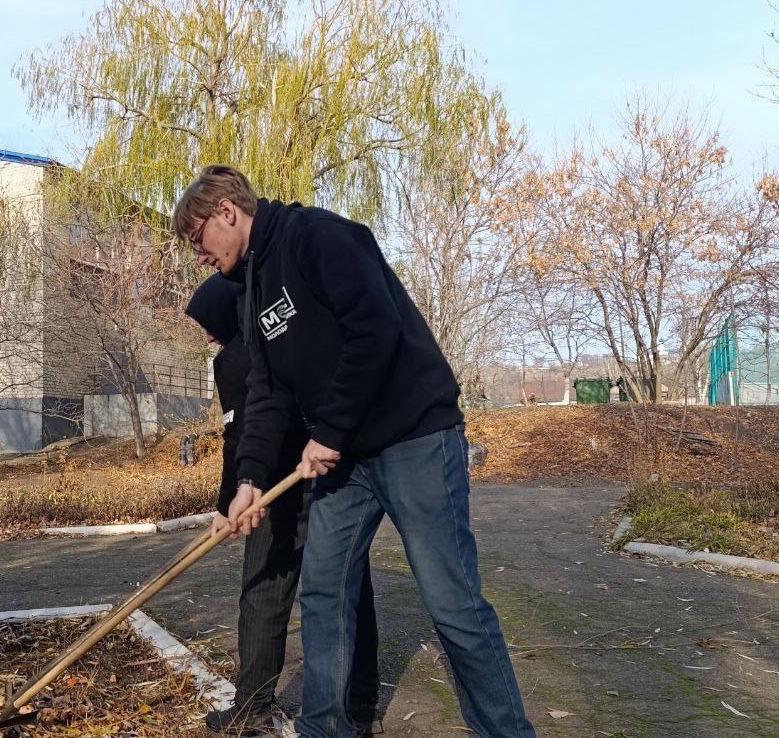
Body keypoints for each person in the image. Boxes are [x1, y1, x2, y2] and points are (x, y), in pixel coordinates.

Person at [174, 166, 536, 738]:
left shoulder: (319, 237)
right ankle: (328, 729)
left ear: (226, 212)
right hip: (348, 463)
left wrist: (332, 430)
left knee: (452, 604)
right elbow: (266, 393)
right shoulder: (253, 290)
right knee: (323, 592)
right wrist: (248, 479)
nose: (198, 254)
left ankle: (505, 731)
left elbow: (376, 328)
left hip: (413, 437)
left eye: (197, 239)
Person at [186, 274, 382, 735]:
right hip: (336, 476)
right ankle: (361, 700)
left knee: (262, 593)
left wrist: (228, 500)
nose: (208, 333)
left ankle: (252, 707)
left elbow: (239, 437)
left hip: (279, 488)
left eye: (208, 323)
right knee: (349, 589)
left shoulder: (234, 359)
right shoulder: (280, 338)